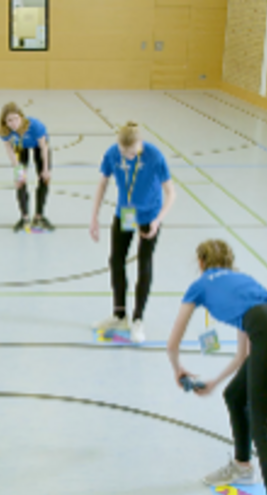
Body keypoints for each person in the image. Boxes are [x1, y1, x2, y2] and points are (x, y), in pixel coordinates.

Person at [167, 239, 267, 495]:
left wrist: (177, 368)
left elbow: (172, 343)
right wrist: (215, 382)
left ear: (201, 263)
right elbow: (243, 355)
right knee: (235, 395)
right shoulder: (243, 280)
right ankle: (242, 466)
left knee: (263, 430)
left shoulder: (200, 285)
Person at [90, 121, 176, 342]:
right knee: (116, 260)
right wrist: (94, 217)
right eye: (123, 151)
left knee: (144, 262)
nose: (126, 156)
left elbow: (171, 193)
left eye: (131, 152)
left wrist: (157, 221)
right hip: (126, 212)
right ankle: (119, 314)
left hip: (149, 215)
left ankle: (138, 319)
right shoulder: (112, 154)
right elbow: (102, 184)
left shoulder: (155, 157)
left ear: (139, 144)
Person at [0, 102, 54, 232]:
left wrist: (46, 170)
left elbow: (44, 147)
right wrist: (18, 171)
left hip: (39, 147)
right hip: (21, 147)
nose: (14, 123)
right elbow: (9, 149)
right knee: (20, 182)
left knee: (44, 179)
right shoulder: (4, 131)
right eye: (9, 120)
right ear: (5, 122)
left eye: (16, 118)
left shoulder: (35, 126)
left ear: (21, 117)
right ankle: (24, 217)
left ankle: (39, 216)